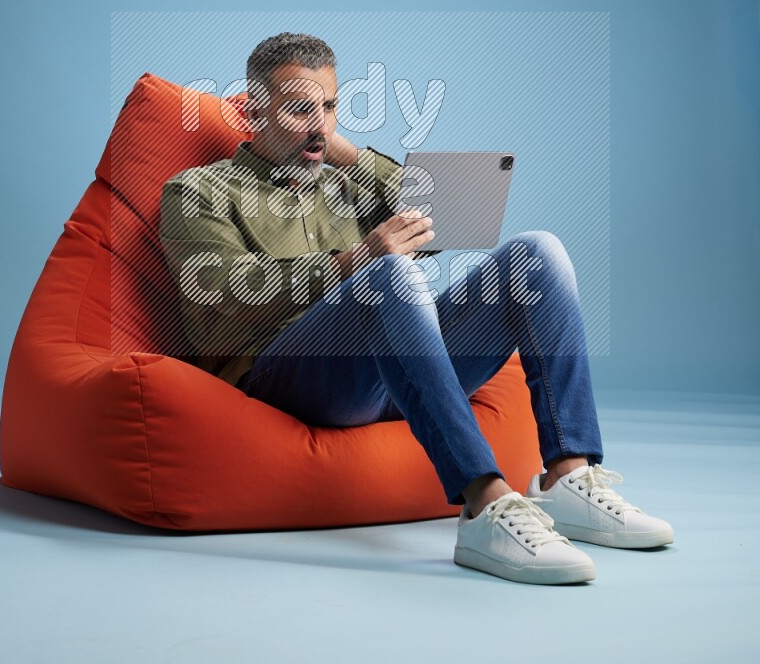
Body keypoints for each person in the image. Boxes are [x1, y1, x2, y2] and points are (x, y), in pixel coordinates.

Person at [159, 32, 674, 586]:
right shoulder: (198, 191)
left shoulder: (344, 179)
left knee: (537, 253)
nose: (320, 123)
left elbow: (453, 213)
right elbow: (217, 291)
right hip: (289, 378)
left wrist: (343, 152)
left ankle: (569, 476)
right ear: (255, 109)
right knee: (389, 273)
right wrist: (351, 262)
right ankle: (483, 504)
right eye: (300, 109)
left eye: (330, 107)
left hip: (395, 370)